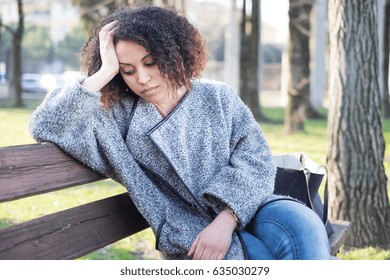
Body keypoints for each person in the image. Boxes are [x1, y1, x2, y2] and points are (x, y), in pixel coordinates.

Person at [29, 6, 330, 260]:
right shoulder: (114, 119)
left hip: (250, 207)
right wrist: (104, 71)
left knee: (304, 226)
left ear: (174, 54)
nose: (142, 79)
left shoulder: (218, 97)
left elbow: (256, 159)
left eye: (151, 63)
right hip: (191, 233)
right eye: (127, 70)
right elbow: (46, 124)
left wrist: (227, 219)